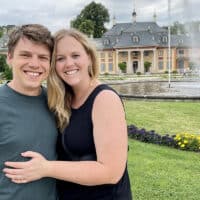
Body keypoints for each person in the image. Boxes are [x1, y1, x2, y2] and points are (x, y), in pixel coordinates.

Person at [3, 29, 132, 200]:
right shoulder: (61, 100)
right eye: (60, 58)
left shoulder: (104, 99)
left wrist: (46, 168)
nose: (68, 63)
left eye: (75, 55)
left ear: (89, 57)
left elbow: (111, 172)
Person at [0, 24, 58, 200]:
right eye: (25, 55)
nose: (34, 64)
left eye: (42, 57)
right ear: (9, 57)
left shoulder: (58, 102)